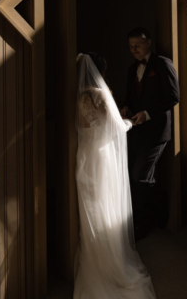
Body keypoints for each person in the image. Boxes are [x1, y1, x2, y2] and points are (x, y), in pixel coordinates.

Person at [74, 52, 156, 299]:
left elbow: (92, 125)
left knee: (92, 208)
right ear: (100, 72)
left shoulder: (79, 95)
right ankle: (111, 261)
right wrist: (130, 122)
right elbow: (115, 128)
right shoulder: (99, 94)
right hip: (102, 156)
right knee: (106, 204)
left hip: (85, 156)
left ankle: (94, 256)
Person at [120, 27, 180, 240]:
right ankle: (146, 218)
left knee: (139, 176)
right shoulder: (131, 69)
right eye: (131, 46)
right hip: (135, 131)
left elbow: (174, 96)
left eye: (137, 44)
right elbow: (129, 97)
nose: (134, 49)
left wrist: (147, 113)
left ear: (148, 43)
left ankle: (155, 208)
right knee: (136, 176)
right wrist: (126, 108)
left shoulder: (162, 64)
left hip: (156, 132)